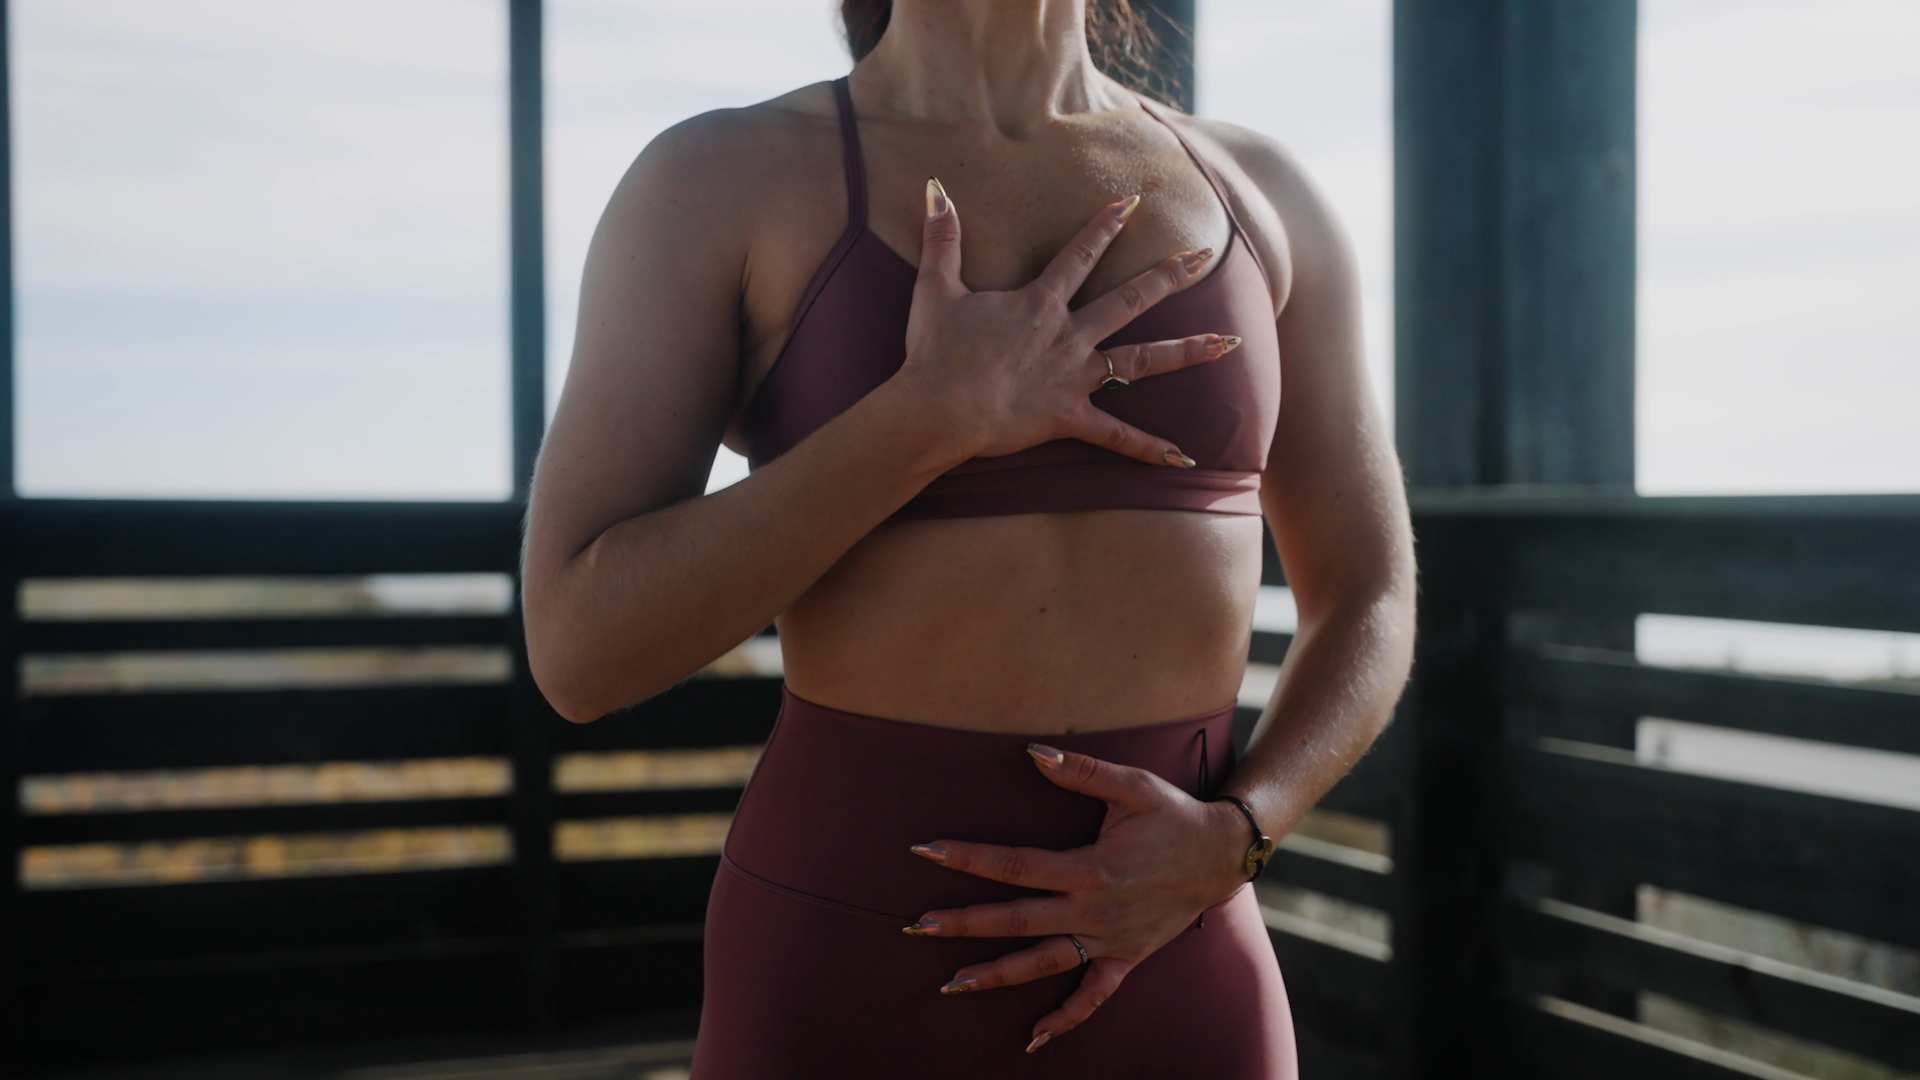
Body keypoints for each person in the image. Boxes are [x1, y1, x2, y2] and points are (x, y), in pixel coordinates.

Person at [522, 1, 1415, 1075]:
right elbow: (580, 647)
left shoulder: (1264, 194)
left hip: (1175, 947)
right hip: (850, 964)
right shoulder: (718, 180)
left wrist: (1242, 831)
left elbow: (1369, 590)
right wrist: (925, 421)